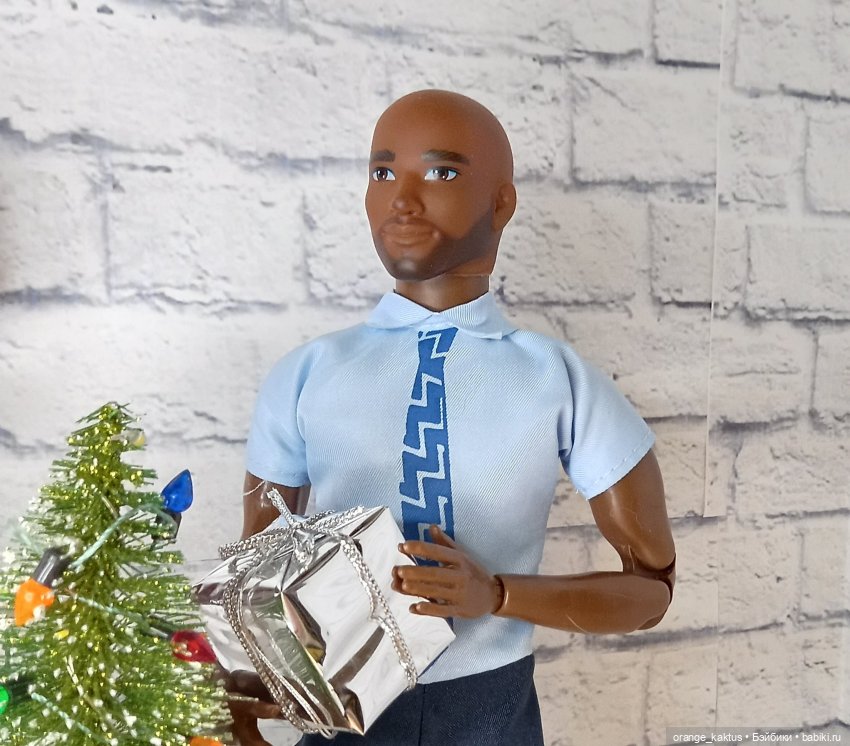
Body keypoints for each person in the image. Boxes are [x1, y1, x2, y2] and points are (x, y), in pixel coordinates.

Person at [229, 90, 676, 746]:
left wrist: (498, 595)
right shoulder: (306, 374)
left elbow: (651, 589)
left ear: (501, 203)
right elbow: (255, 575)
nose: (403, 200)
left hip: (487, 706)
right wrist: (244, 699)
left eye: (440, 172)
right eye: (383, 172)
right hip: (343, 700)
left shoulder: (557, 380)